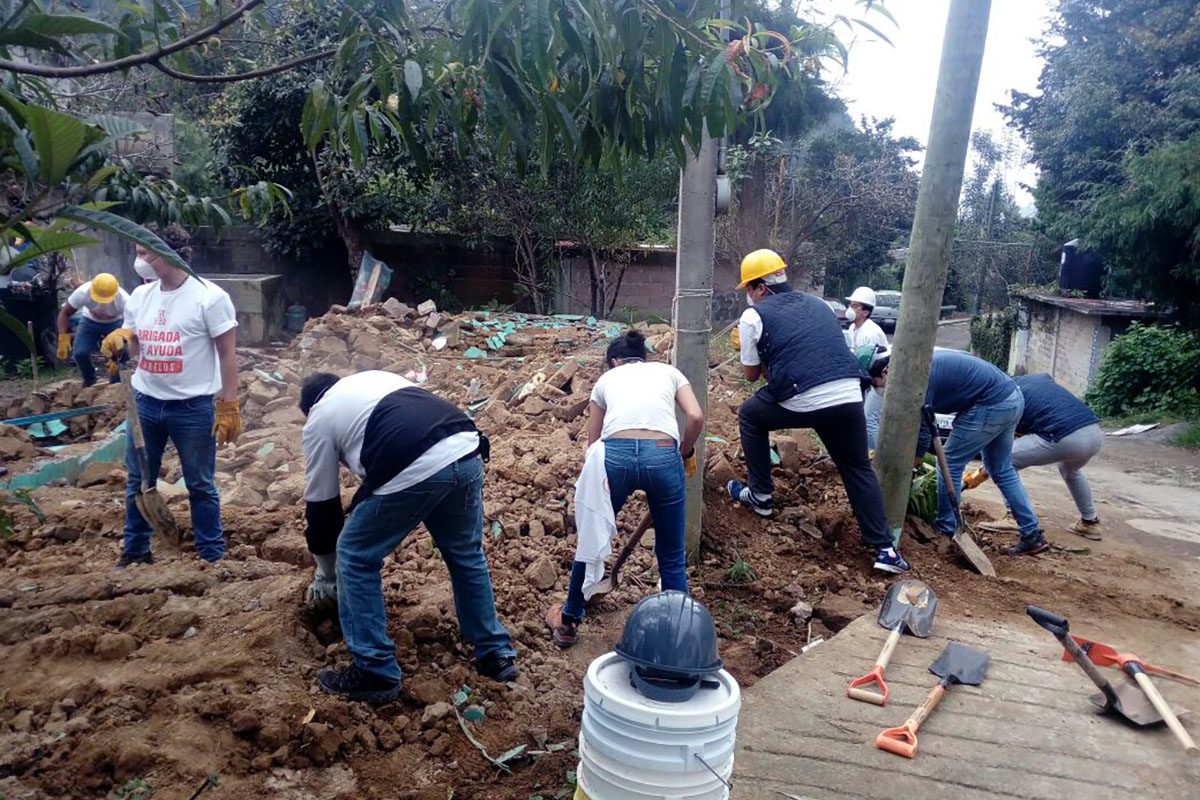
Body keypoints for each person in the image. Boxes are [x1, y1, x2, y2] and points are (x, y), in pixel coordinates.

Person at [300, 371, 518, 702]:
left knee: (355, 555)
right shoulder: (375, 380)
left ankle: (375, 671)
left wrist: (326, 572)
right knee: (465, 554)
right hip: (465, 447)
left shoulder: (318, 417)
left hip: (414, 463)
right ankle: (495, 654)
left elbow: (321, 509)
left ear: (310, 406)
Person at [725, 249, 910, 574]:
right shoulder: (818, 304)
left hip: (804, 395)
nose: (749, 297)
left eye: (749, 290)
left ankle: (761, 497)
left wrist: (748, 348)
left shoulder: (754, 316)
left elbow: (752, 376)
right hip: (849, 392)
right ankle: (885, 551)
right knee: (856, 467)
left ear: (761, 288)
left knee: (750, 415)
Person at [545, 331, 704, 648]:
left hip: (613, 456)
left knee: (590, 541)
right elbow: (696, 416)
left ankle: (569, 621)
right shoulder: (669, 372)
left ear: (614, 362)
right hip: (663, 453)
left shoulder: (607, 381)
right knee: (671, 557)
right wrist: (683, 452)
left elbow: (593, 444)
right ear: (643, 358)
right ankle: (679, 642)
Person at [100, 225, 241, 567]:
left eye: (144, 253)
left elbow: (227, 354)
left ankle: (211, 554)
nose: (139, 261)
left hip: (192, 409)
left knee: (200, 484)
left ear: (166, 254)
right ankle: (135, 550)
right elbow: (134, 342)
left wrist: (228, 404)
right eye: (137, 253)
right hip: (145, 403)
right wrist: (121, 340)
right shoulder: (141, 296)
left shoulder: (209, 297)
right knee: (139, 480)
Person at [867, 348, 1049, 556]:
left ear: (885, 372)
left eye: (876, 385)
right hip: (1012, 397)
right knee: (1000, 468)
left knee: (949, 462)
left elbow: (925, 430)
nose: (879, 390)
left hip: (991, 403)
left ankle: (946, 528)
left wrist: (914, 464)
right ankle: (1032, 534)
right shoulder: (917, 362)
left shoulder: (917, 375)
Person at [968, 374, 1104, 540]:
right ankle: (1090, 523)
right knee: (1070, 471)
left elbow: (1002, 444)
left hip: (1063, 435)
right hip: (1094, 433)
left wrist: (979, 475)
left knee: (1003, 461)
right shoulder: (1036, 381)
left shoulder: (1008, 396)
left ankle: (1014, 518)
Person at [56, 272, 129, 387]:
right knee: (80, 353)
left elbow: (132, 323)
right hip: (89, 322)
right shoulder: (82, 292)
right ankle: (89, 379)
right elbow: (65, 313)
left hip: (115, 324)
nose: (101, 302)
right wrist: (63, 337)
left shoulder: (124, 300)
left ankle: (115, 384)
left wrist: (123, 342)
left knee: (118, 353)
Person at [844, 286, 888, 352]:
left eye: (855, 306)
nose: (850, 309)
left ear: (865, 312)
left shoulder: (872, 334)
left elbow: (872, 360)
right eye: (850, 305)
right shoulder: (852, 328)